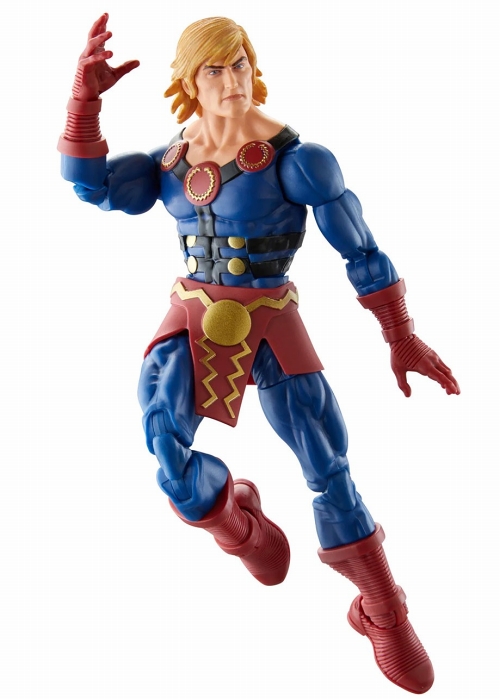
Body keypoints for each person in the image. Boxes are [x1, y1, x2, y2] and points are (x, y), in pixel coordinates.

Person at [58, 14, 460, 694]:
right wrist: (83, 102)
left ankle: (381, 605)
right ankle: (238, 524)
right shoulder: (171, 163)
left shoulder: (297, 160)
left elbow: (362, 251)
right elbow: (91, 186)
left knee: (326, 464)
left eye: (240, 62)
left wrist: (400, 334)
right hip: (191, 317)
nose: (232, 79)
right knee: (167, 456)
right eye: (215, 69)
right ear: (190, 81)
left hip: (270, 319)